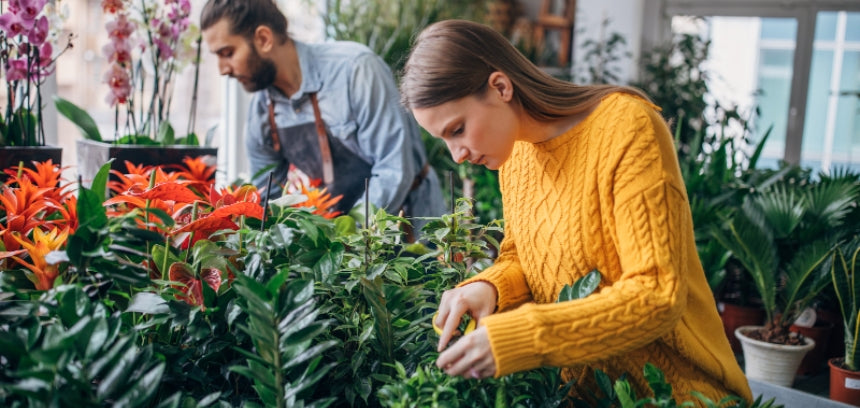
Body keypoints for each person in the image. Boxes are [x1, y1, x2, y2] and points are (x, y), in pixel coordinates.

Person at [400, 19, 752, 404]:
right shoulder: (515, 155)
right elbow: (524, 255)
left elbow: (656, 295)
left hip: (680, 394)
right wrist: (490, 286)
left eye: (457, 130)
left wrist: (523, 335)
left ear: (501, 87)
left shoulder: (627, 128)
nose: (458, 155)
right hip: (582, 396)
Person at [199, 0, 445, 230]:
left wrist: (345, 234)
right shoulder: (261, 111)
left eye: (227, 53)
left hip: (408, 223)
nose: (222, 70)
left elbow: (394, 171)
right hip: (341, 235)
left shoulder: (354, 70)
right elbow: (266, 199)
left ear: (263, 39)